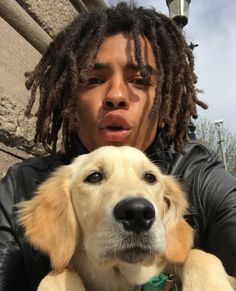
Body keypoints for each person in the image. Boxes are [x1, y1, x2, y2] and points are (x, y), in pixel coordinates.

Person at [0, 2, 235, 291]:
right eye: (94, 80)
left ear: (162, 105)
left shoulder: (200, 178)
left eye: (139, 80)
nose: (116, 95)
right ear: (69, 100)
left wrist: (201, 263)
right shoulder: (21, 185)